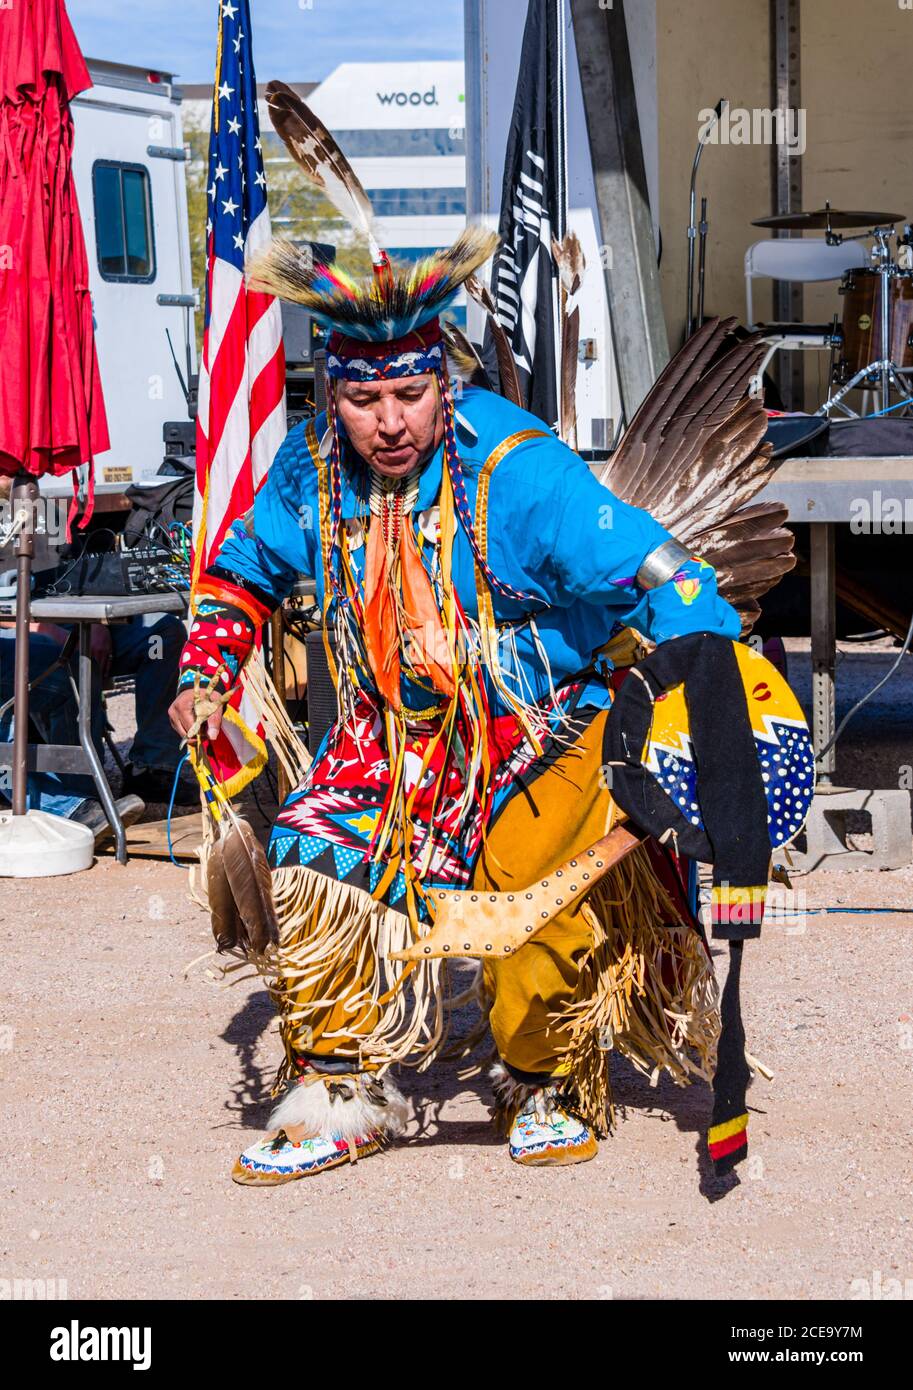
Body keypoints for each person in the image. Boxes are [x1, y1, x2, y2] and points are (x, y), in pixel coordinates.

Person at [169, 211, 790, 1186]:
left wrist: (708, 696)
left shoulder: (517, 471)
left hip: (552, 711)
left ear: (441, 384)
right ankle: (341, 1087)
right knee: (310, 848)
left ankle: (547, 1075)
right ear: (333, 393)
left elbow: (667, 579)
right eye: (362, 398)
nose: (387, 422)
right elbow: (240, 569)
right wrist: (207, 665)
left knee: (520, 882)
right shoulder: (311, 471)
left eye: (410, 394)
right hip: (407, 724)